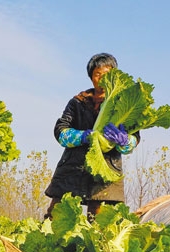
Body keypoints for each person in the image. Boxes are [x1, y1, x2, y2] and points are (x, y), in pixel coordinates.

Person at [43, 53, 140, 219]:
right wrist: (83, 136)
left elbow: (134, 138)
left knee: (100, 223)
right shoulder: (78, 102)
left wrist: (123, 141)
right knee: (56, 217)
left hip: (106, 170)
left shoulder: (125, 103)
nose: (102, 80)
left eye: (107, 75)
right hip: (73, 168)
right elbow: (60, 131)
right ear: (91, 77)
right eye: (98, 75)